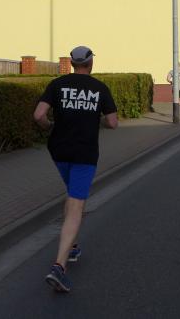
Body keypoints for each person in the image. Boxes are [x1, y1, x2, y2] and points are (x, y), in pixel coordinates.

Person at [33, 46, 118, 293]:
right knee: (76, 205)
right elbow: (113, 122)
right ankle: (59, 267)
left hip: (58, 150)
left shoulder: (57, 84)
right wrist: (98, 120)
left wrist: (49, 126)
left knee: (72, 196)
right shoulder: (99, 88)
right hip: (84, 153)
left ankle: (72, 247)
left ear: (72, 63)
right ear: (90, 64)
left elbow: (38, 115)